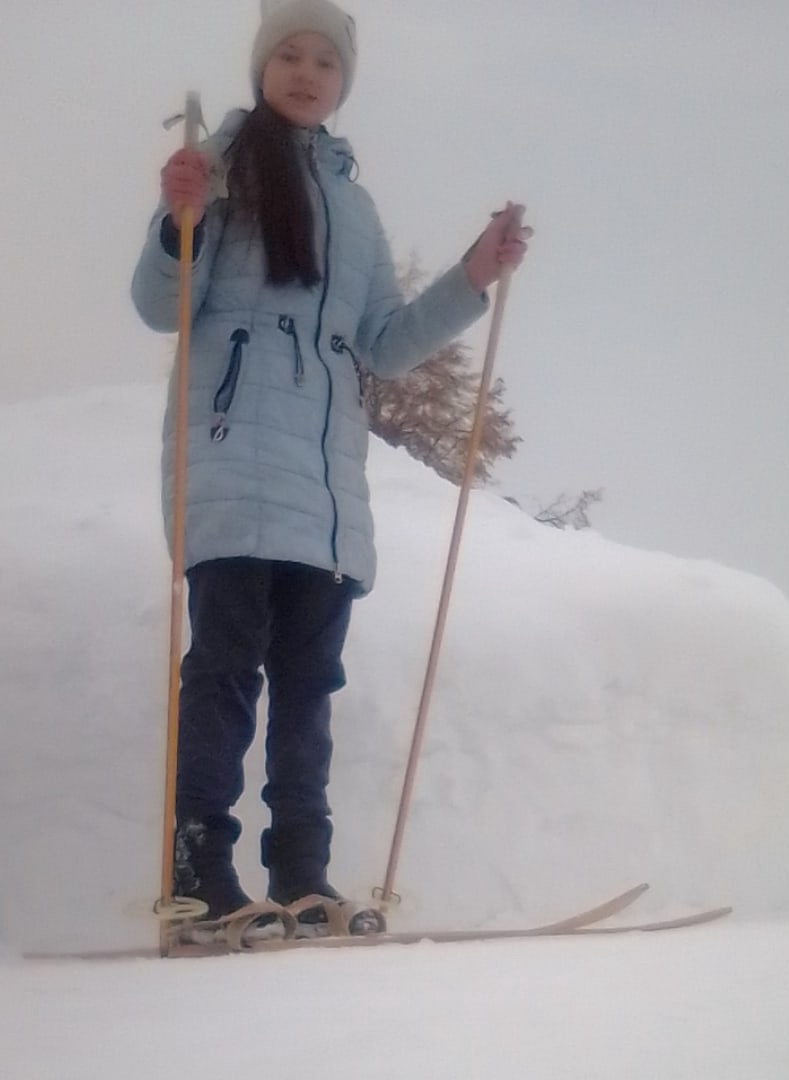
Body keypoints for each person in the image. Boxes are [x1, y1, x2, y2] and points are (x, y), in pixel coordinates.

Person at [131, 0, 531, 923]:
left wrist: (473, 274)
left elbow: (384, 344)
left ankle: (302, 876)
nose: (306, 73)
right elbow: (160, 305)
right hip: (230, 464)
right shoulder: (219, 169)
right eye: (290, 55)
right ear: (262, 67)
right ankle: (200, 871)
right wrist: (177, 220)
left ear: (343, 80)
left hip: (326, 495)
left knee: (309, 688)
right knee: (226, 670)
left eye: (325, 60)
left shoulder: (354, 206)